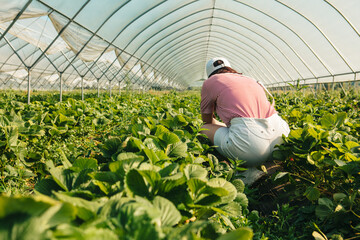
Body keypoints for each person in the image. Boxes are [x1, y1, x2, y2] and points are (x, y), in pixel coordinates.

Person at [200, 57, 290, 185]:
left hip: (250, 144)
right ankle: (268, 166)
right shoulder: (250, 79)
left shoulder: (210, 82)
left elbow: (207, 120)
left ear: (209, 74)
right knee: (237, 131)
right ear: (230, 68)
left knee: (205, 128)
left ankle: (246, 173)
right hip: (281, 137)